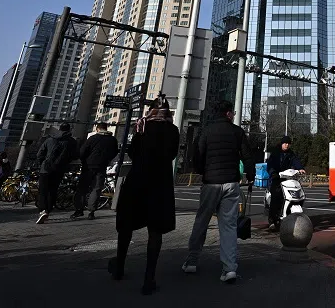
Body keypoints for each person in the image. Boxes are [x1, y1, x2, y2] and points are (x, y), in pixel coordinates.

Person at [109, 96, 179, 295]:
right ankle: (149, 279)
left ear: (151, 110)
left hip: (138, 179)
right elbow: (173, 154)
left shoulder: (142, 125)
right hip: (161, 183)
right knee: (155, 231)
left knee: (126, 225)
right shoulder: (173, 130)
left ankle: (119, 268)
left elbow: (133, 153)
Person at [182, 101, 255, 282]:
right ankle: (229, 268)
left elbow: (197, 155)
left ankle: (191, 261)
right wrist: (251, 175)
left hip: (210, 183)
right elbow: (247, 155)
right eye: (233, 113)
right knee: (228, 225)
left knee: (202, 220)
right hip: (231, 183)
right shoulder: (237, 132)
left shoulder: (206, 130)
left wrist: (202, 172)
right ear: (229, 114)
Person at [71, 122, 119, 220]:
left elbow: (82, 152)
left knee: (82, 189)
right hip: (102, 167)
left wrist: (84, 160)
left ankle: (79, 210)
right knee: (96, 189)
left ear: (97, 129)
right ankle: (91, 212)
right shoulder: (113, 140)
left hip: (88, 167)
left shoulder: (92, 138)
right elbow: (114, 152)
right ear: (106, 128)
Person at [35, 122, 78, 224]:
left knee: (43, 190)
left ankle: (42, 210)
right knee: (53, 190)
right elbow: (75, 155)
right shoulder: (72, 142)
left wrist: (43, 163)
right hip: (59, 169)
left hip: (45, 169)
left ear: (59, 129)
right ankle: (48, 210)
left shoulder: (50, 139)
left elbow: (40, 154)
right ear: (69, 130)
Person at [265, 136, 305, 230]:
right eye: (285, 143)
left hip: (288, 178)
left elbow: (296, 161)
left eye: (288, 143)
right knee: (276, 195)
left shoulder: (291, 154)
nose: (287, 145)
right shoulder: (276, 153)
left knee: (298, 191)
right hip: (276, 178)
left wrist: (300, 168)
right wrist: (273, 173)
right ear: (282, 144)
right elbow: (270, 165)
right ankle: (273, 220)